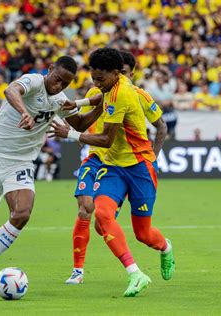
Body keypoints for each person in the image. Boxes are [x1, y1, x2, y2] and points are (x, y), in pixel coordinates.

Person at [0, 56, 103, 292]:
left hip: (21, 162)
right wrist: (24, 111)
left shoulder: (59, 99)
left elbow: (81, 124)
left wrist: (103, 106)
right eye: (57, 80)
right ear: (49, 69)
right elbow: (10, 89)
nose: (58, 87)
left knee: (22, 213)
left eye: (65, 84)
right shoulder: (33, 81)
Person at [50, 48, 175, 297]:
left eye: (100, 79)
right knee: (102, 216)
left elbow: (107, 139)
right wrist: (78, 103)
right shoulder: (114, 84)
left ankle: (165, 247)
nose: (96, 84)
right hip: (114, 166)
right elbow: (100, 98)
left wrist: (71, 134)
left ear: (117, 74)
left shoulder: (126, 94)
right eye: (93, 78)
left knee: (144, 234)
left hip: (139, 167)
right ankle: (135, 273)